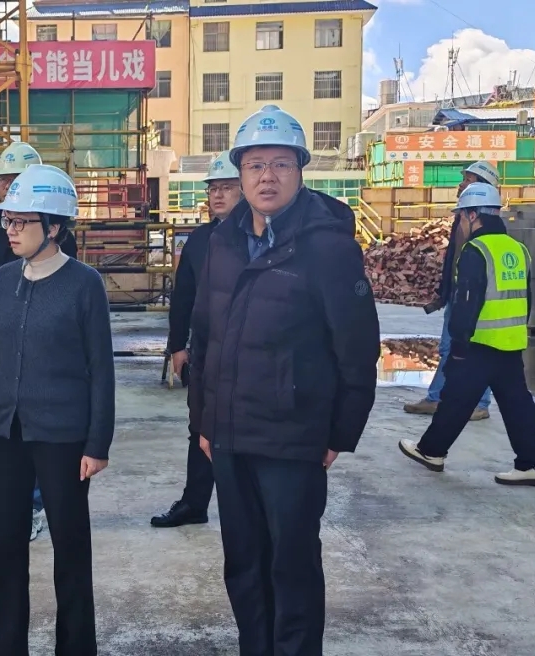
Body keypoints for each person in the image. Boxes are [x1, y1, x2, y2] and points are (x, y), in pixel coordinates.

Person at [187, 104, 381, 655]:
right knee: (244, 564)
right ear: (240, 173)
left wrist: (338, 434)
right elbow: (205, 337)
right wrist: (204, 422)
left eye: (280, 164)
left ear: (300, 171)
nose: (266, 177)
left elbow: (357, 350)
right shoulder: (221, 244)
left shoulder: (328, 247)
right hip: (229, 435)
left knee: (291, 565)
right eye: (254, 165)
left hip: (292, 437)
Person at [0, 163, 115, 656]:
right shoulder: (3, 279)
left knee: (70, 549)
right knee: (1, 549)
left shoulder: (84, 284)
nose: (9, 230)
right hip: (4, 434)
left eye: (20, 222)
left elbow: (101, 368)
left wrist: (97, 443)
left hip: (64, 438)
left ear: (53, 228)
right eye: (7, 220)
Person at [398, 182, 535, 487]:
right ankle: (533, 465)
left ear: (472, 215)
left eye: (461, 217)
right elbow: (527, 298)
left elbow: (467, 302)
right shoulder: (517, 249)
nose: (460, 224)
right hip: (510, 342)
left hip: (480, 342)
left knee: (456, 397)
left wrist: (458, 345)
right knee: (516, 404)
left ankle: (431, 451)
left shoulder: (476, 250)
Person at [0, 141, 78, 539]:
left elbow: (62, 283)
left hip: (41, 347)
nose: (9, 186)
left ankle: (34, 504)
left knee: (34, 425)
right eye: (4, 180)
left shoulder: (54, 229)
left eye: (18, 179)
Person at [150, 152, 241, 529]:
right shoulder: (200, 240)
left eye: (226, 188)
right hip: (205, 352)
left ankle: (247, 509)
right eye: (213, 189)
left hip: (248, 354)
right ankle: (194, 503)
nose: (217, 195)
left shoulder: (259, 237)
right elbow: (183, 296)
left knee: (243, 432)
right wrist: (177, 346)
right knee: (200, 427)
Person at [404, 161, 501, 421]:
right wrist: (445, 291)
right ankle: (439, 398)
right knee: (449, 347)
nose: (461, 184)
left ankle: (475, 402)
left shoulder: (486, 225)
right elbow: (454, 260)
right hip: (459, 292)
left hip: (474, 295)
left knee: (476, 350)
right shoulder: (463, 217)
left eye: (468, 180)